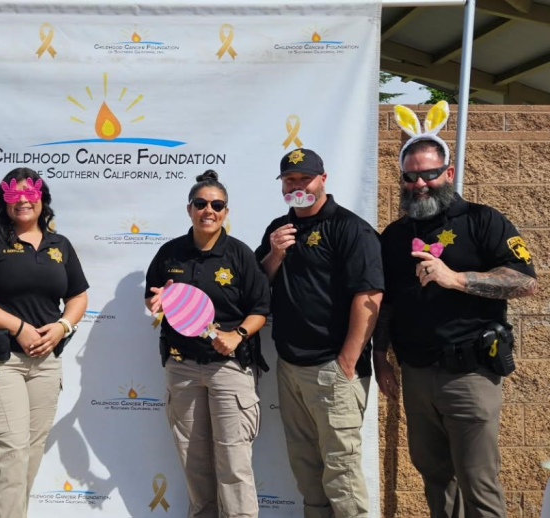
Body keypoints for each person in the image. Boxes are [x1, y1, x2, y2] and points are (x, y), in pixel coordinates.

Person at [373, 103, 538, 517]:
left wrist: (458, 278)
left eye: (429, 173)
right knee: (434, 479)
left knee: (478, 483)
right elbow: (387, 301)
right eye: (410, 176)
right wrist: (380, 355)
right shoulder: (395, 235)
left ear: (448, 173)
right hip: (416, 374)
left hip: (470, 374)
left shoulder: (483, 221)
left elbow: (525, 281)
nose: (420, 183)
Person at [0, 167, 89, 517]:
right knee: (10, 452)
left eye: (31, 193)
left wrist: (63, 326)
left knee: (29, 453)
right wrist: (18, 327)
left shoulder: (60, 245)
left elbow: (78, 296)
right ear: (3, 201)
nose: (23, 200)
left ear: (43, 199)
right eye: (14, 194)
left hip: (45, 364)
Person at [255, 148, 383, 518]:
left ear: (322, 179)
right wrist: (274, 254)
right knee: (305, 464)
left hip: (332, 369)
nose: (297, 186)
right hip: (290, 366)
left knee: (341, 470)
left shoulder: (350, 229)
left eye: (305, 179)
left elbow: (370, 296)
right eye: (289, 180)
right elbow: (259, 287)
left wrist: (347, 360)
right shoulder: (278, 229)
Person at [145, 170, 270, 517]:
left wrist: (237, 335)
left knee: (233, 463)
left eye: (217, 205)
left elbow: (260, 309)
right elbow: (153, 298)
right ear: (189, 209)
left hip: (229, 369)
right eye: (200, 204)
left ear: (226, 211)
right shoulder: (170, 253)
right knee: (193, 462)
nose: (208, 211)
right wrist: (156, 302)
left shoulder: (240, 254)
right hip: (182, 368)